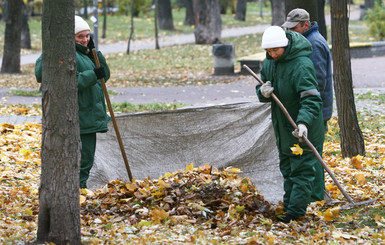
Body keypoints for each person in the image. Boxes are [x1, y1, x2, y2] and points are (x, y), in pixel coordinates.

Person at [256, 26, 325, 223]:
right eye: (268, 51)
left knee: (302, 171)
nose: (272, 55)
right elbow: (260, 88)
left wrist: (303, 123)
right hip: (283, 127)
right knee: (287, 170)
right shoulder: (269, 63)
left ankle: (293, 216)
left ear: (285, 46)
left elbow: (312, 100)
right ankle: (288, 210)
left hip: (303, 126)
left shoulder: (302, 65)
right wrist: (263, 92)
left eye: (275, 50)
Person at [35, 15, 111, 189]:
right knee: (81, 159)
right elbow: (65, 83)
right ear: (70, 37)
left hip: (89, 115)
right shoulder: (63, 53)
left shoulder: (85, 53)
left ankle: (79, 191)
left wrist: (95, 54)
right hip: (78, 114)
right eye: (80, 37)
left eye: (87, 36)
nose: (85, 40)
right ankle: (77, 191)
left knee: (87, 158)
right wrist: (93, 74)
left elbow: (103, 77)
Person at [283, 8, 333, 202]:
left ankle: (317, 195)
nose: (291, 32)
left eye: (294, 28)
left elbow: (317, 83)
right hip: (310, 108)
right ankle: (315, 193)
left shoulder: (314, 44)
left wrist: (306, 109)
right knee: (310, 152)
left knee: (313, 154)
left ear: (305, 25)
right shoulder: (305, 41)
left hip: (315, 109)